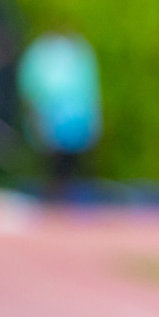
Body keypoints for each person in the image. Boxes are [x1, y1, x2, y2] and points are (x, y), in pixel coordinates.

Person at [18, 31, 103, 198]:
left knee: (67, 171)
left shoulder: (69, 53)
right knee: (57, 171)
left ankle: (63, 199)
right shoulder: (55, 53)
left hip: (69, 127)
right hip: (56, 126)